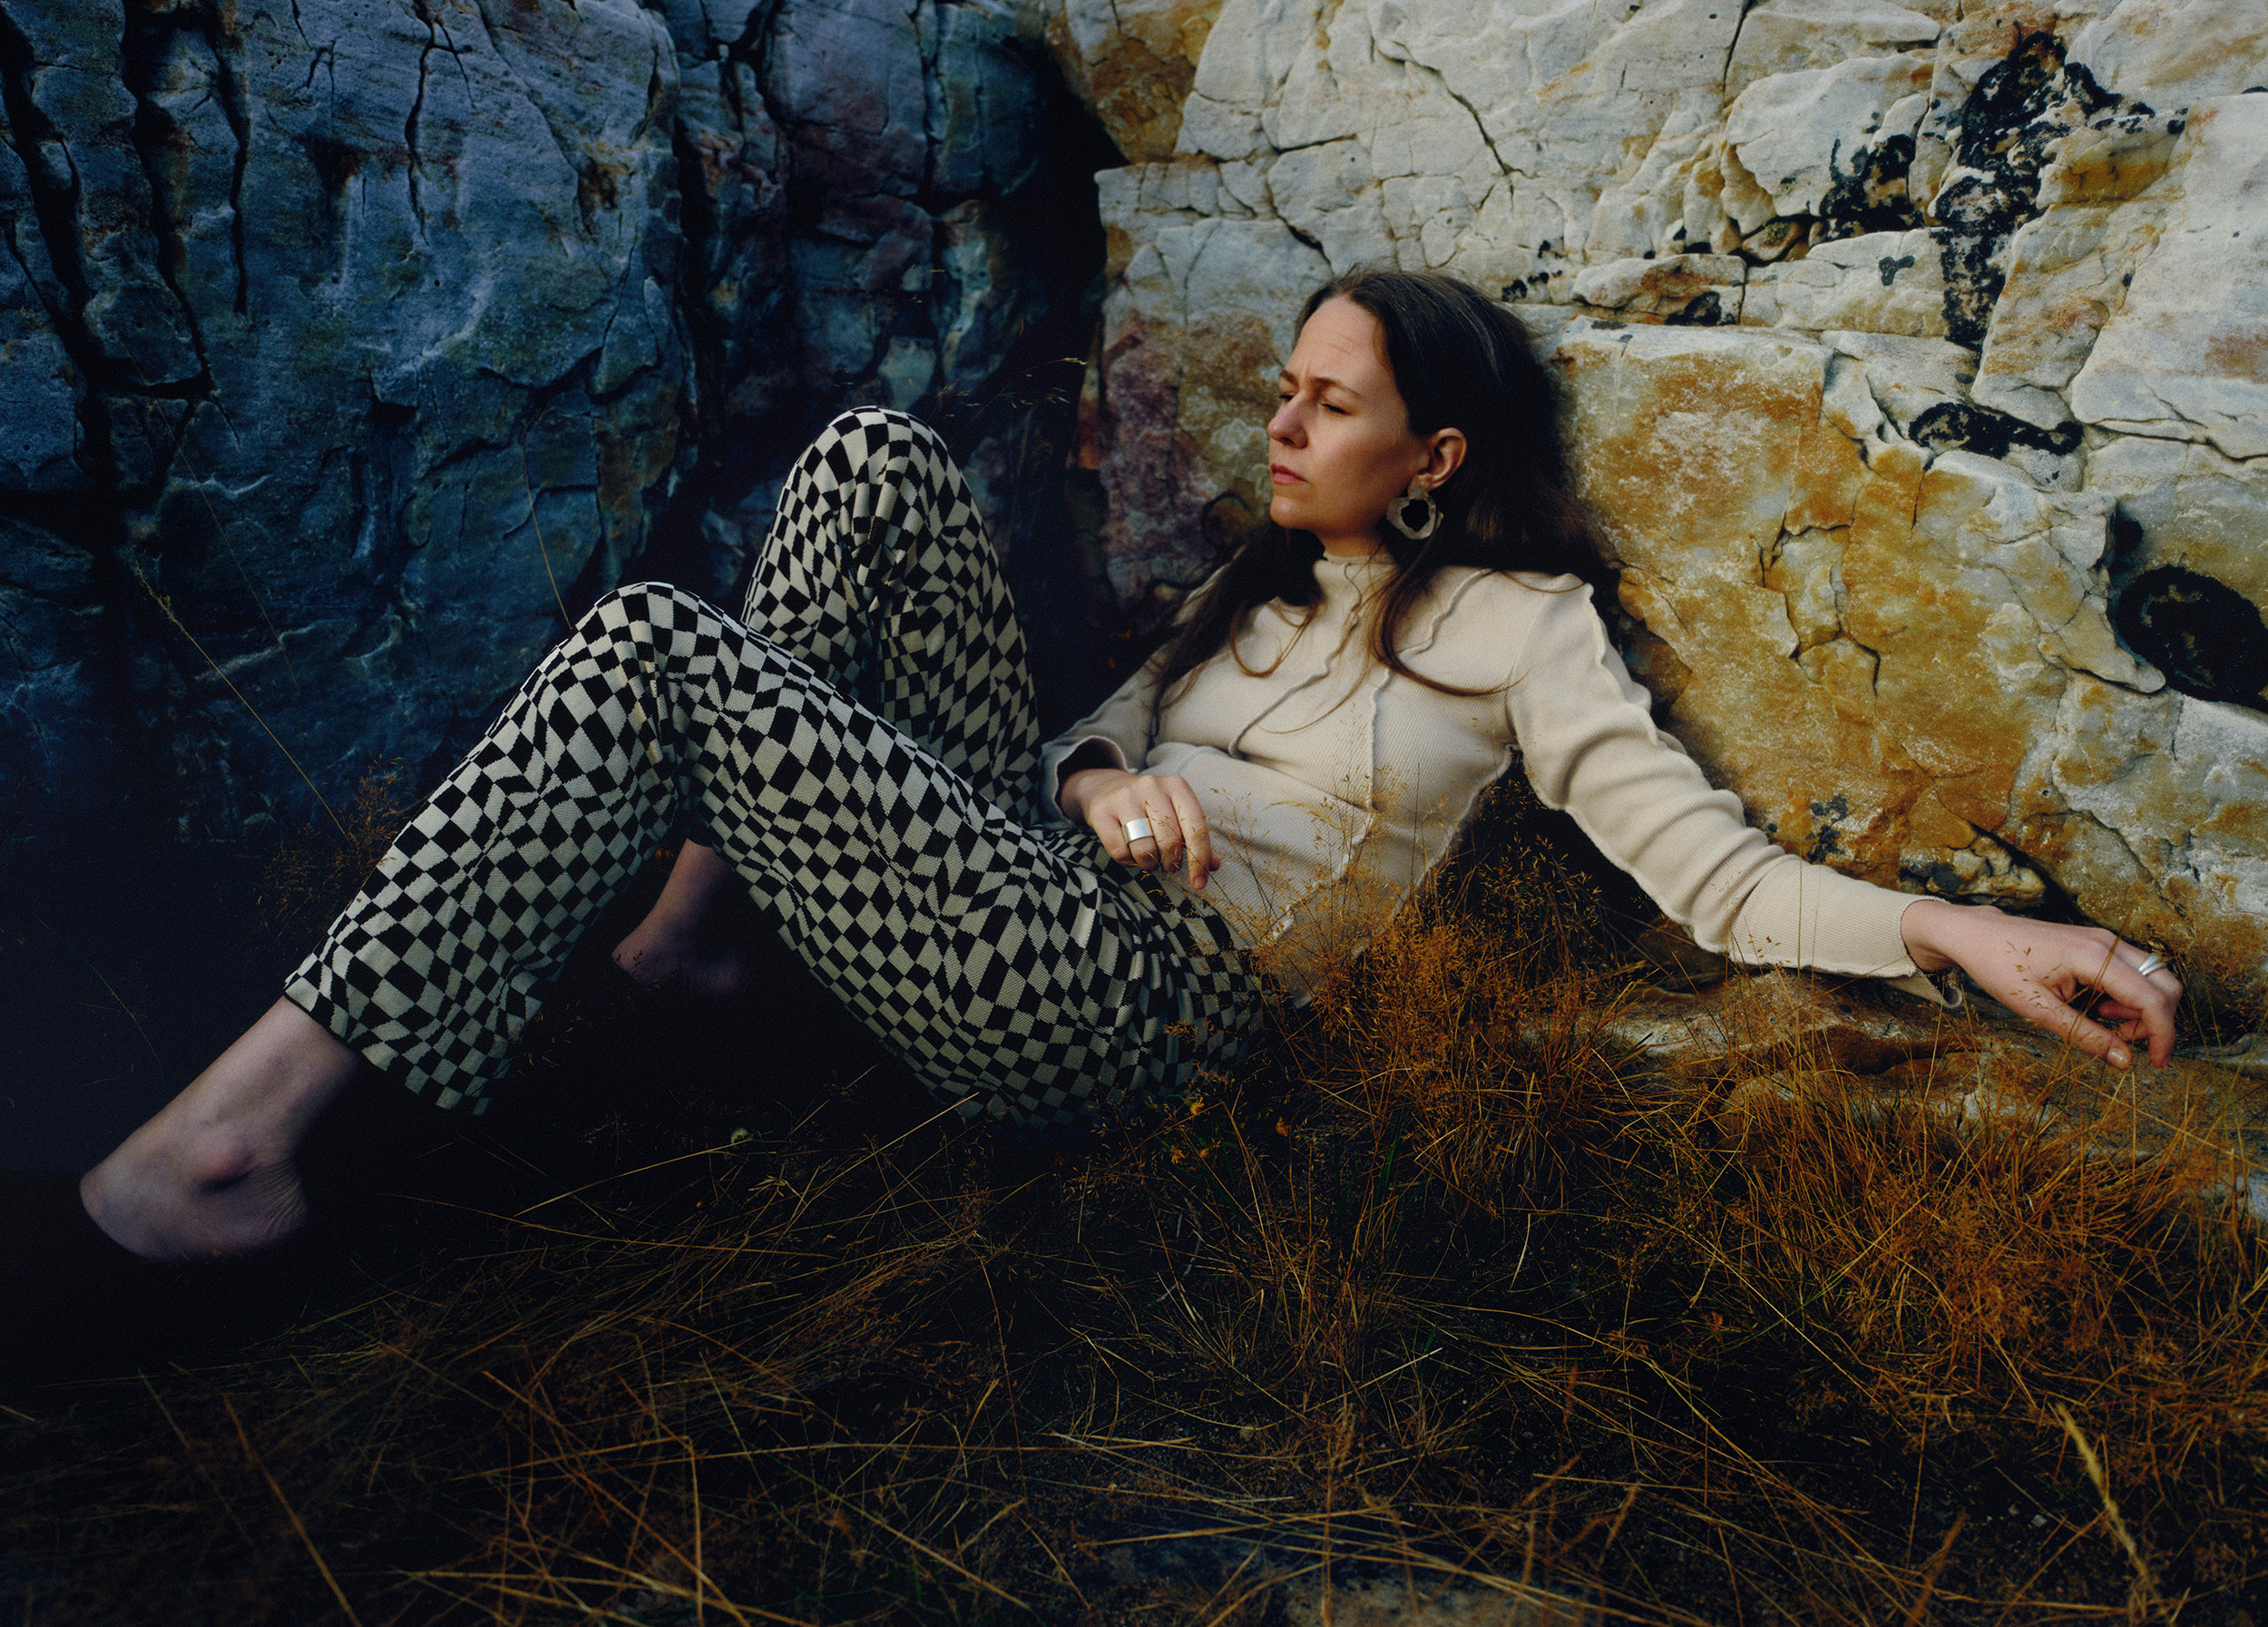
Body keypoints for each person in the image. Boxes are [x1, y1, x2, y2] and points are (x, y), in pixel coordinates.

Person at [76, 270, 2184, 1266]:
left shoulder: (1526, 634)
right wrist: (1092, 786)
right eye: (1280, 387)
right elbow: (1091, 737)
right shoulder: (1253, 591)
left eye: (1325, 401)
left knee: (651, 639)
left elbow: (1706, 879)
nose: (1277, 425)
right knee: (872, 462)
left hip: (1142, 1009)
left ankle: (236, 1136)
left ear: (1430, 456)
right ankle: (698, 954)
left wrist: (1954, 925)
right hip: (1036, 878)